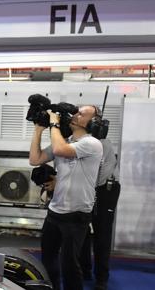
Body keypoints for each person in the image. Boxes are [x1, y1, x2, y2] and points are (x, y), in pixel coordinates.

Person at [29, 106, 103, 290]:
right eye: (76, 112)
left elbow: (60, 149)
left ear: (92, 122)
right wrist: (38, 129)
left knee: (69, 265)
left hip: (76, 215)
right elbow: (35, 159)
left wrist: (54, 122)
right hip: (55, 211)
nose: (75, 115)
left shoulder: (92, 144)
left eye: (81, 114)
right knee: (48, 259)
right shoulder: (64, 140)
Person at [79, 138, 120, 290]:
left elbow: (101, 175)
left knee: (102, 234)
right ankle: (85, 270)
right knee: (81, 229)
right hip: (86, 186)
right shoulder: (75, 140)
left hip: (105, 188)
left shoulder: (104, 143)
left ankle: (101, 278)